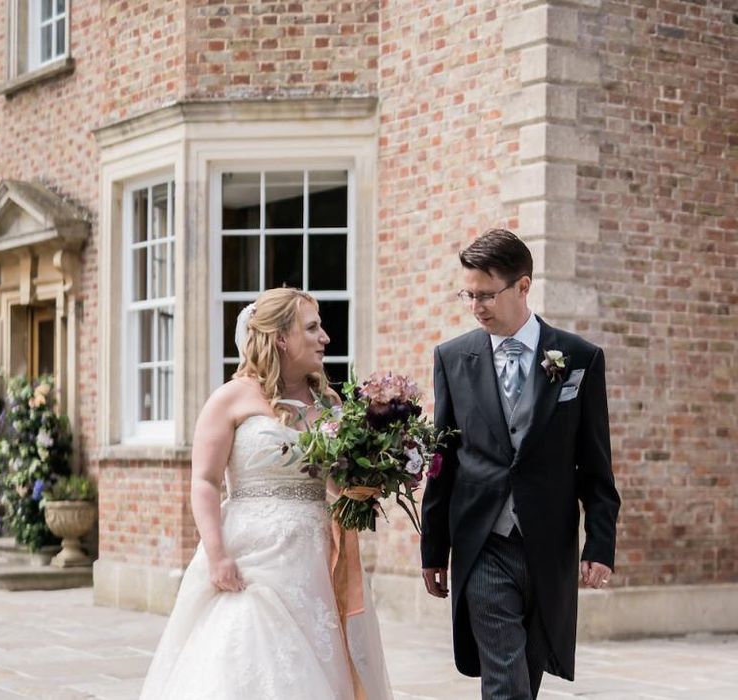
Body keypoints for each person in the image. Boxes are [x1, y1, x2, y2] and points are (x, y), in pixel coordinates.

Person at [140, 287, 392, 699]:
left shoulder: (328, 403)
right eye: (312, 328)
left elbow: (333, 483)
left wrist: (376, 471)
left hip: (313, 559)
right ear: (281, 338)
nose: (325, 337)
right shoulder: (230, 398)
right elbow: (203, 480)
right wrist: (217, 554)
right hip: (248, 558)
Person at [420, 230, 621, 699]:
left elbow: (595, 463)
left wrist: (601, 542)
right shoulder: (452, 358)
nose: (476, 306)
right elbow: (441, 462)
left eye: (487, 295)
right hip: (482, 541)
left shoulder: (579, 359)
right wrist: (434, 549)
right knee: (506, 680)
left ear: (523, 286)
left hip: (548, 546)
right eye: (468, 294)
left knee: (526, 676)